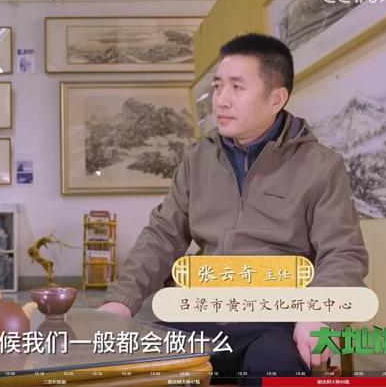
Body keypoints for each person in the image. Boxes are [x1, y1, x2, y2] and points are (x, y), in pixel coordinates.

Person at [98, 33, 369, 384]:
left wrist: (319, 313)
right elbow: (162, 236)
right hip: (201, 310)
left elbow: (344, 253)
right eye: (218, 86)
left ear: (277, 98)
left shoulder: (320, 166)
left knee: (276, 368)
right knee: (140, 367)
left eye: (237, 87)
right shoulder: (198, 159)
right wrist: (121, 300)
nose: (221, 100)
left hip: (277, 318)